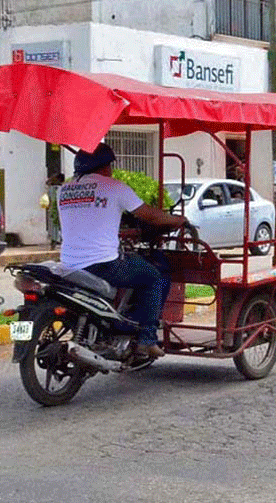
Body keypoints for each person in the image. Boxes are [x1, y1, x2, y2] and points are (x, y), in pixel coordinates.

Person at [57, 143, 187, 358]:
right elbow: (151, 216)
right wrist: (178, 220)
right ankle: (147, 338)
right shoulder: (114, 187)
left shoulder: (64, 190)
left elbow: (87, 218)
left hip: (69, 264)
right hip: (103, 264)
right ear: (105, 166)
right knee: (154, 277)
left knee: (135, 267)